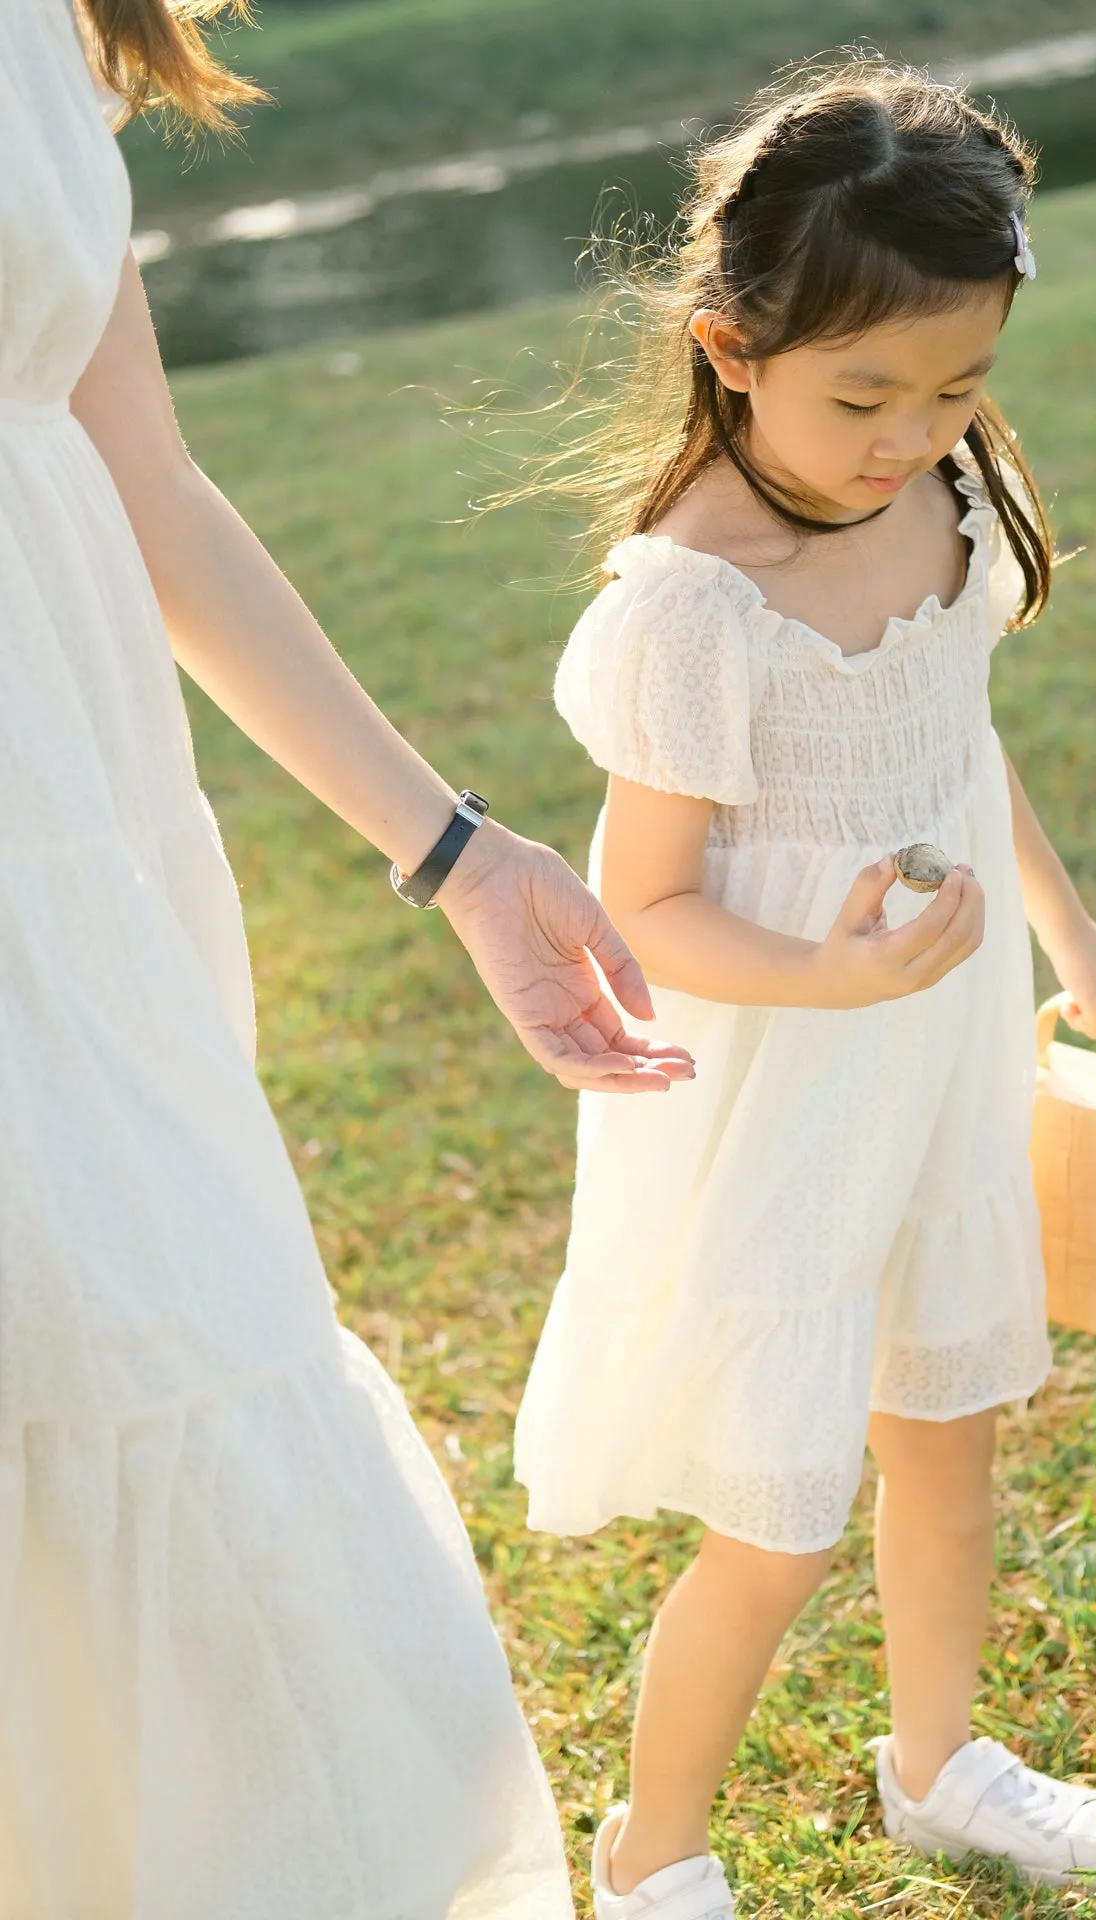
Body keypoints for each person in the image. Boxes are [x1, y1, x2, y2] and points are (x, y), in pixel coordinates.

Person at [0, 2, 691, 1915]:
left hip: (64, 840)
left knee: (169, 1343)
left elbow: (145, 479)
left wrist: (457, 854)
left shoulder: (54, 30)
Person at [509, 60, 1096, 1917]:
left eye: (960, 384)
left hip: (933, 1058)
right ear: (729, 347)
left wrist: (1071, 929)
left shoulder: (942, 487)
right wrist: (826, 967)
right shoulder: (692, 604)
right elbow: (646, 908)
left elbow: (955, 746)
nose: (914, 431)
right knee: (779, 1517)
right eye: (863, 393)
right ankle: (655, 1854)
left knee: (944, 1434)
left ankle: (941, 1764)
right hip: (781, 1088)